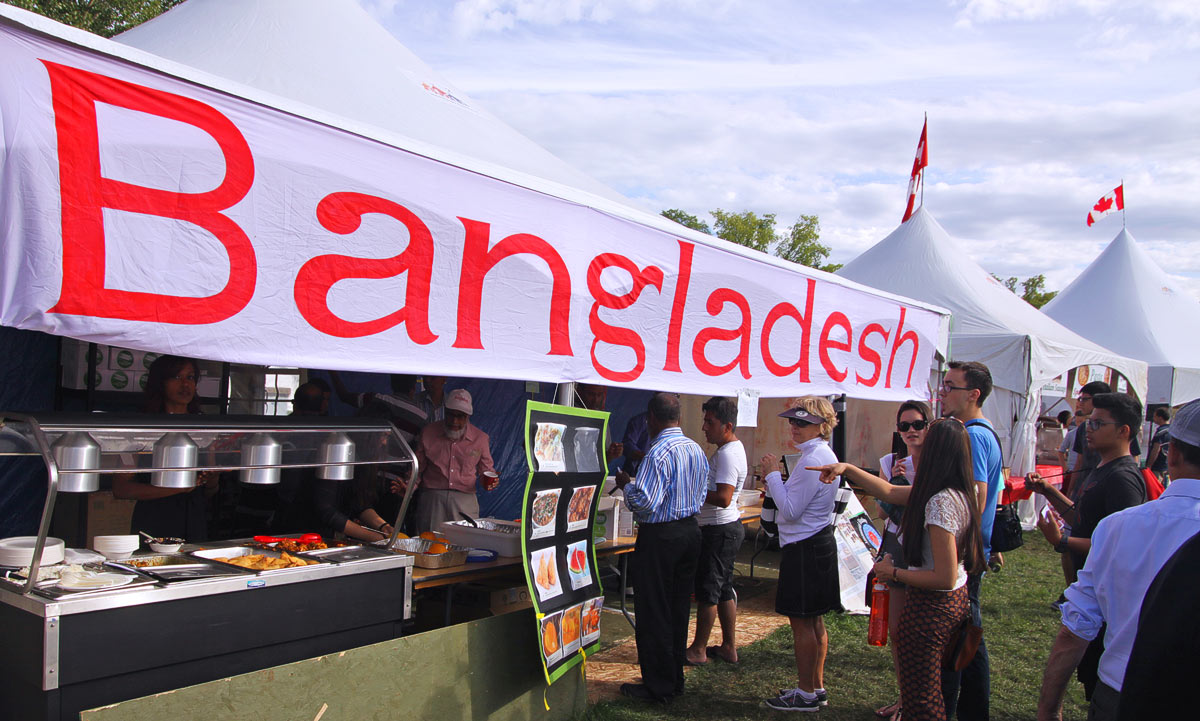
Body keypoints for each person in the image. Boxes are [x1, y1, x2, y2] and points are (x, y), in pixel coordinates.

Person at [811, 419, 986, 721]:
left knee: (922, 700)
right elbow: (890, 492)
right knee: (930, 693)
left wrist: (893, 574)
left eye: (926, 442)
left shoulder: (939, 502)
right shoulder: (956, 490)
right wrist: (847, 469)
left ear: (936, 453)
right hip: (950, 604)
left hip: (932, 609)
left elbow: (942, 577)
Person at [1036, 399, 1200, 721]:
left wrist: (1048, 709)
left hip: (1121, 690)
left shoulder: (1120, 523)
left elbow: (1076, 628)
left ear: (1174, 453)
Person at [1026, 392, 1147, 700]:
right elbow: (1083, 517)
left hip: (1107, 599)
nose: (1087, 429)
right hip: (1091, 590)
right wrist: (1049, 491)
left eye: (1097, 423)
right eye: (1087, 421)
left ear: (1124, 431)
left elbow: (1120, 543)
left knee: (1098, 681)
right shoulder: (1104, 468)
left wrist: (1061, 540)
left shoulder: (1123, 479)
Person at [613, 392, 708, 703]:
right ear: (678, 418)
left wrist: (628, 484)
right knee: (678, 609)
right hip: (689, 532)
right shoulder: (695, 449)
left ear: (651, 418)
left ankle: (657, 687)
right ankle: (674, 678)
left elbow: (645, 502)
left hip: (662, 536)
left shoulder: (657, 453)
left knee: (654, 611)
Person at [758, 397, 843, 712]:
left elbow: (791, 511)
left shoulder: (814, 457)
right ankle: (814, 686)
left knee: (803, 623)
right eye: (793, 421)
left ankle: (806, 692)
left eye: (802, 422)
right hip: (813, 542)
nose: (794, 427)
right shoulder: (817, 454)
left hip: (805, 545)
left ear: (821, 425)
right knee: (813, 620)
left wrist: (772, 476)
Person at [937, 360, 1003, 721]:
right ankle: (975, 711)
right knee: (970, 639)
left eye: (950, 387)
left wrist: (950, 547)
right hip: (973, 551)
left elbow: (974, 500)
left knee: (962, 640)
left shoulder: (974, 436)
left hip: (965, 554)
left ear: (973, 394)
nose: (943, 392)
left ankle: (961, 710)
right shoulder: (982, 432)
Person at [112, 355, 218, 541]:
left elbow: (211, 490)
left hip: (193, 522)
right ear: (161, 382)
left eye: (190, 377)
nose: (185, 385)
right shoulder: (141, 428)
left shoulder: (203, 427)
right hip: (154, 523)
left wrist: (210, 478)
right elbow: (121, 488)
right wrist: (178, 488)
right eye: (177, 377)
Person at [874, 399, 933, 721]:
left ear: (928, 426)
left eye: (917, 424)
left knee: (920, 630)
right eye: (904, 426)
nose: (911, 431)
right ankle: (904, 697)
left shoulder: (937, 463)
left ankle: (919, 700)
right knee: (897, 629)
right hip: (896, 544)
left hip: (927, 549)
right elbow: (882, 511)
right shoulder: (891, 461)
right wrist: (894, 482)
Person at [685, 396, 747, 666]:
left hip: (719, 529)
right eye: (705, 420)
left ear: (727, 425)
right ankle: (729, 646)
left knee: (709, 591)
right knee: (723, 589)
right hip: (722, 528)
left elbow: (723, 497)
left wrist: (693, 490)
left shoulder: (728, 455)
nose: (704, 427)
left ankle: (698, 649)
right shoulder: (726, 450)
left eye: (710, 422)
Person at [412, 389, 496, 534]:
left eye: (460, 417)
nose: (454, 421)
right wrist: (408, 488)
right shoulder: (428, 432)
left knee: (466, 545)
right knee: (430, 543)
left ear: (468, 416)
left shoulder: (480, 439)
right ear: (445, 410)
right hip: (433, 499)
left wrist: (490, 482)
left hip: (464, 501)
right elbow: (417, 469)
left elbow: (486, 471)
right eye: (450, 415)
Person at [329, 371, 427, 445]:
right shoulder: (421, 417)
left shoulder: (374, 398)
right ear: (414, 387)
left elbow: (344, 396)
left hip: (365, 459)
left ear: (392, 384)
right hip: (399, 467)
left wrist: (332, 371)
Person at [1070, 381, 1141, 482]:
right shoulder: (1082, 427)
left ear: (1123, 431)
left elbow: (1134, 456)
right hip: (1086, 484)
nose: (1080, 403)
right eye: (1080, 399)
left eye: (1085, 399)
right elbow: (1080, 461)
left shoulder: (1124, 478)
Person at [576, 382, 624, 465]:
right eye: (591, 394)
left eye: (599, 395)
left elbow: (602, 462)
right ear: (579, 391)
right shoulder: (569, 410)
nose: (595, 400)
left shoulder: (601, 418)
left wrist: (611, 454)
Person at [1057, 410, 1082, 494]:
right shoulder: (1071, 434)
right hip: (1071, 470)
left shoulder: (1091, 435)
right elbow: (1061, 451)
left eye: (1082, 421)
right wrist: (1064, 469)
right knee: (1067, 494)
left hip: (1084, 471)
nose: (1080, 424)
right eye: (1078, 421)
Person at [1145, 406, 1171, 484]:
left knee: (1155, 488)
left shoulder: (1160, 432)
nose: (1153, 418)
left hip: (1157, 467)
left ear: (1160, 417)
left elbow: (1156, 450)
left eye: (1155, 416)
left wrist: (1149, 465)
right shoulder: (1172, 431)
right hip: (1167, 465)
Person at [621, 408, 651, 475]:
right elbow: (627, 446)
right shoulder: (640, 421)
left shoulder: (669, 425)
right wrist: (647, 458)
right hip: (635, 472)